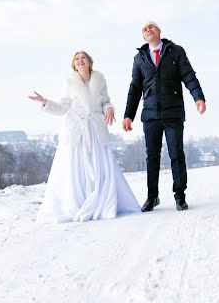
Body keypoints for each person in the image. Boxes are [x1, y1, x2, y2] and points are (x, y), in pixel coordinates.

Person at [29, 51, 140, 223]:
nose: (80, 60)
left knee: (99, 167)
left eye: (83, 58)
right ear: (74, 64)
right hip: (76, 131)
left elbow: (106, 102)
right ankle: (79, 202)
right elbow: (63, 106)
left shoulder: (100, 79)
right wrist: (46, 102)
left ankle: (102, 201)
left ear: (89, 62)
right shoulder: (69, 82)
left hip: (95, 130)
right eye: (77, 58)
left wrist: (109, 109)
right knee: (76, 168)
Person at [122, 22, 206, 212]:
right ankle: (152, 197)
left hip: (173, 112)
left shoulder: (175, 51)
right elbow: (134, 88)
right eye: (144, 29)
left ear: (159, 31)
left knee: (176, 154)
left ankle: (180, 196)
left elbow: (189, 76)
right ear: (143, 37)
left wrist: (198, 97)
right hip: (150, 115)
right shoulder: (139, 58)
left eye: (152, 27)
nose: (148, 30)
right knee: (152, 157)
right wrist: (128, 115)